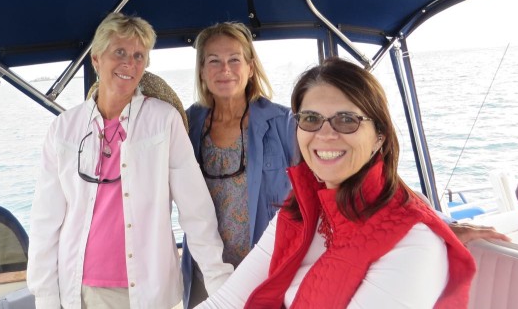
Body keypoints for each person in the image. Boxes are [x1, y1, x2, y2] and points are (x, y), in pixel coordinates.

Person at [197, 57, 476, 308]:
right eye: (310, 119)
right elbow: (226, 303)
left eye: (346, 120)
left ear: (379, 136)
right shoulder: (300, 211)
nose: (325, 134)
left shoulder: (413, 241)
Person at [27, 12, 233, 309]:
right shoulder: (63, 129)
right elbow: (46, 220)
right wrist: (45, 295)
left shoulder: (163, 121)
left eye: (139, 55)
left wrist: (220, 285)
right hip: (80, 290)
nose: (129, 63)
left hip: (148, 291)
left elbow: (196, 210)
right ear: (97, 59)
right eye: (119, 52)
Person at [181, 22, 295, 308]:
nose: (225, 69)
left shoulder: (284, 123)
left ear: (250, 67)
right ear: (202, 71)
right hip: (206, 272)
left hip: (266, 271)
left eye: (234, 59)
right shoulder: (186, 124)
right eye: (214, 61)